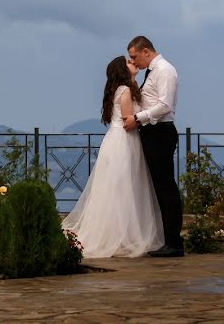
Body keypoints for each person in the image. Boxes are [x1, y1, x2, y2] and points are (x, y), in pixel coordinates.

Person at [61, 56, 164, 258]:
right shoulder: (125, 91)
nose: (133, 62)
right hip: (123, 141)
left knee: (123, 187)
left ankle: (123, 234)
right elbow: (128, 121)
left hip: (120, 140)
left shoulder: (128, 87)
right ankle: (120, 236)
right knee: (122, 187)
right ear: (122, 70)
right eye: (128, 62)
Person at [123, 36, 184, 257]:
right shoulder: (151, 72)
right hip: (151, 132)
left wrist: (138, 118)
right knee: (159, 186)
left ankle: (174, 243)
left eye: (134, 56)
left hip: (160, 132)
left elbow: (165, 106)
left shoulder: (164, 71)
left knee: (166, 186)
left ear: (146, 51)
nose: (133, 61)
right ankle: (166, 239)